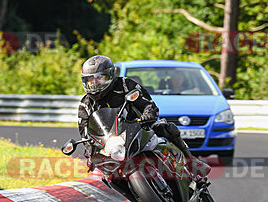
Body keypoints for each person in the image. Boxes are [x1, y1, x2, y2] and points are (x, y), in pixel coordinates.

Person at [77, 55, 210, 182]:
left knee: (167, 128)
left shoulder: (125, 84)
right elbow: (85, 134)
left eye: (99, 78)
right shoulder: (85, 105)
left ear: (111, 75)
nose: (94, 84)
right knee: (102, 172)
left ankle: (192, 163)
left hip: (139, 127)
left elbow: (148, 104)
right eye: (90, 80)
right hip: (112, 143)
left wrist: (148, 114)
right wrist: (90, 152)